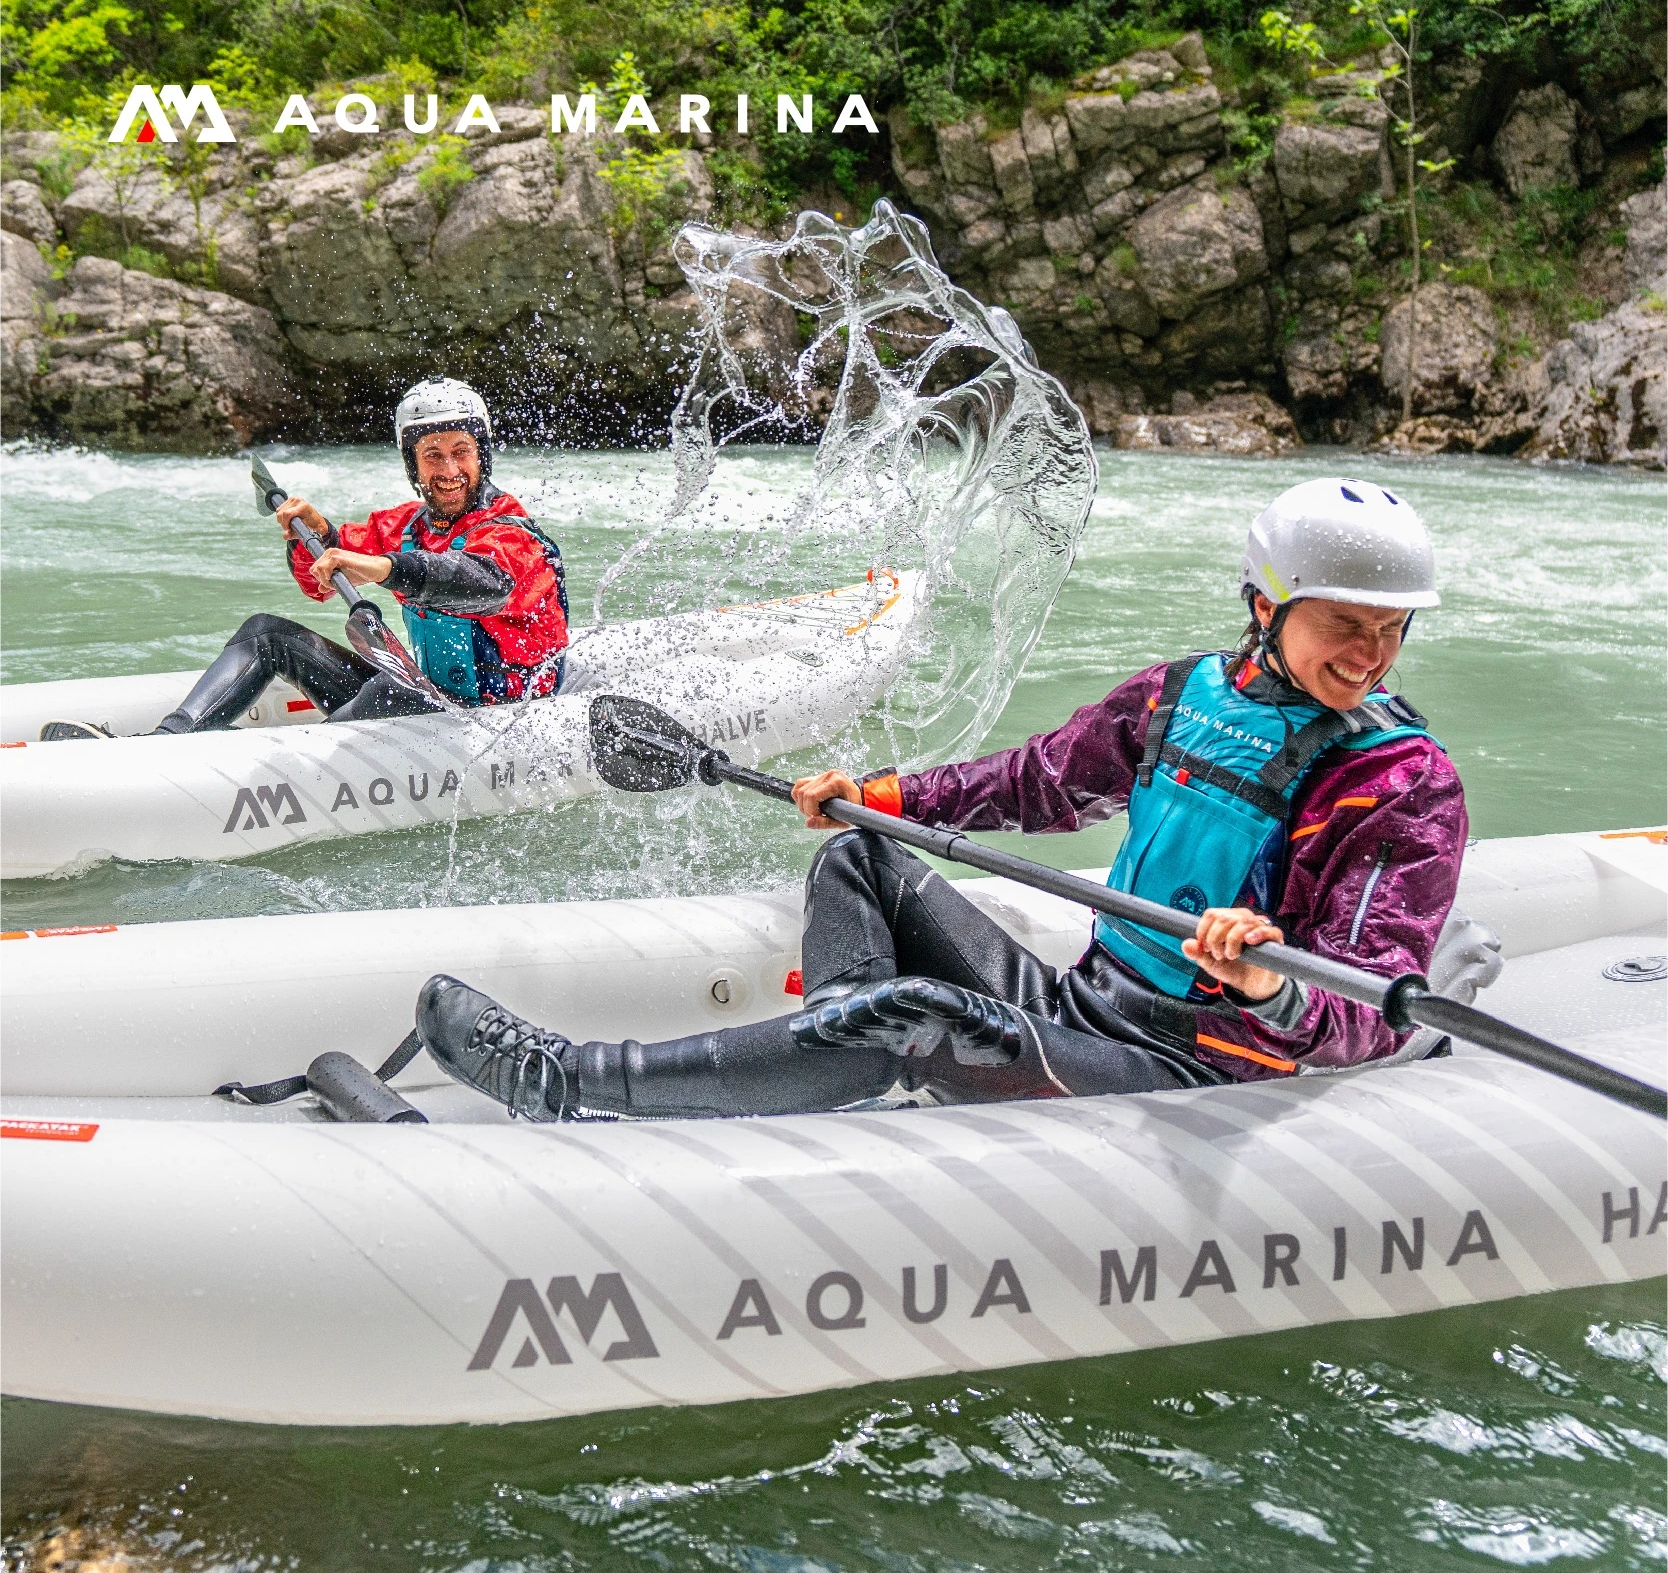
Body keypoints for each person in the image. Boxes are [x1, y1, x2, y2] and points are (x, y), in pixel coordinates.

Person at [413, 476, 1474, 1120]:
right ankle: (839, 1061)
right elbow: (1035, 782)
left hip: (1202, 1060)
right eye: (1346, 623)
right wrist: (875, 794)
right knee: (862, 856)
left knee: (911, 1008)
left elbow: (1367, 1000)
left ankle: (572, 1080)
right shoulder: (1182, 691)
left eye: (1393, 629)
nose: (1371, 654)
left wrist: (1264, 982)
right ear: (1267, 603)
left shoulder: (1403, 783)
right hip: (1088, 1001)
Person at [40, 378, 569, 739]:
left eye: (461, 451)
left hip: (499, 721)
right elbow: (317, 583)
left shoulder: (512, 534)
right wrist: (311, 536)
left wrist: (386, 569)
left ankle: (282, 767)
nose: (448, 468)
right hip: (431, 700)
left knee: (387, 691)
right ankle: (169, 742)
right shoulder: (404, 525)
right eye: (432, 455)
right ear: (414, 464)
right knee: (266, 634)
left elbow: (482, 583)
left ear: (483, 455)